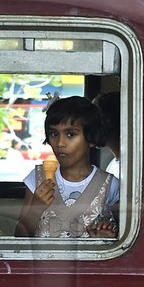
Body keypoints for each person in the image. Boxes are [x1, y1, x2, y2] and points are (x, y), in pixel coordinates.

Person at [15, 96, 121, 238]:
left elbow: (122, 236)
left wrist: (104, 239)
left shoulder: (111, 185)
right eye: (54, 134)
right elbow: (19, 237)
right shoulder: (36, 178)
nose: (60, 143)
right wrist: (35, 210)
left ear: (91, 138)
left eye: (70, 134)